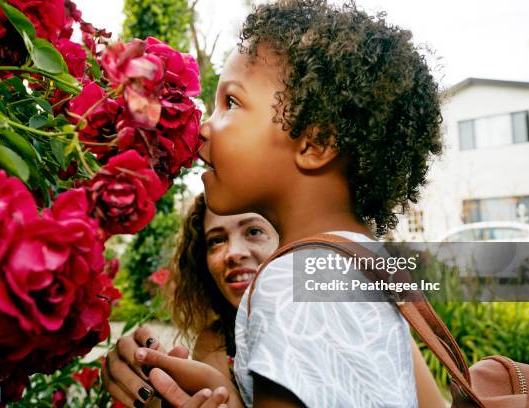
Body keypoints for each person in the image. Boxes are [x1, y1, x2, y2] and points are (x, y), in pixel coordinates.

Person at [126, 0, 447, 407]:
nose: (205, 128)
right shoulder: (360, 261)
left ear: (315, 143)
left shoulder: (287, 282)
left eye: (231, 103)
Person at [102, 193, 279, 406]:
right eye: (217, 240)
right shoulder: (216, 343)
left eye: (254, 231)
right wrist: (154, 391)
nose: (233, 253)